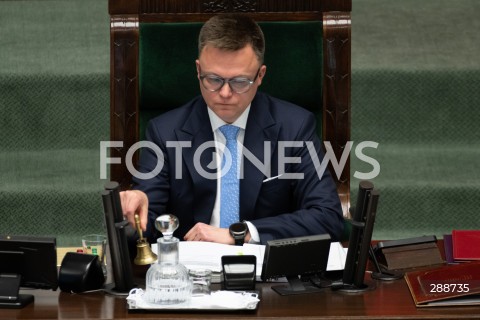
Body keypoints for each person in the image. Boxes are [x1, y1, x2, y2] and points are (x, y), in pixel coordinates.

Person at [120, 13, 344, 245]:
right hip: (192, 271)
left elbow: (328, 218)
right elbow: (147, 225)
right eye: (213, 79)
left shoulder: (295, 127)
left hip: (266, 272)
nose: (225, 93)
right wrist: (135, 211)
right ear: (198, 71)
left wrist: (241, 232)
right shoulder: (164, 133)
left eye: (239, 82)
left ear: (260, 76)